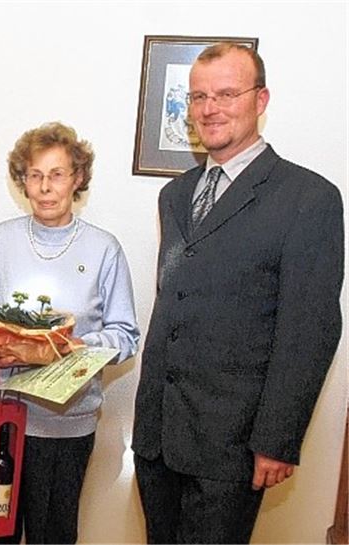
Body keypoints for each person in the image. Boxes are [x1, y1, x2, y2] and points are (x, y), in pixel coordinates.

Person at [132, 43, 344, 544]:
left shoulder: (308, 198)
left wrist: (278, 440)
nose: (210, 108)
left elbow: (310, 330)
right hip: (157, 436)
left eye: (226, 93)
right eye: (199, 96)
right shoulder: (176, 195)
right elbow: (175, 302)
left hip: (233, 445)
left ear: (260, 99)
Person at [0, 122, 140, 544]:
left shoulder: (104, 249)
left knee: (53, 536)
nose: (45, 187)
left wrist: (74, 348)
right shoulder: (0, 240)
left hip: (64, 425)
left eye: (57, 174)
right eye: (35, 175)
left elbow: (126, 335)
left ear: (77, 178)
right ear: (22, 180)